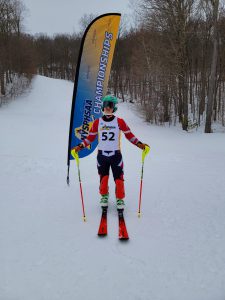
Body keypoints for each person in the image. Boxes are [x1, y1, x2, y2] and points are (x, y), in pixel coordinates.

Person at [73, 95, 149, 210]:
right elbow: (90, 138)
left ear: (114, 108)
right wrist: (80, 146)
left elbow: (129, 135)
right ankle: (104, 196)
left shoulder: (120, 121)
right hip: (102, 155)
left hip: (116, 155)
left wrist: (140, 144)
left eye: (111, 105)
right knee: (103, 179)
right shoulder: (97, 122)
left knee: (119, 179)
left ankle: (120, 198)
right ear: (102, 107)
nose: (108, 107)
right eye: (106, 105)